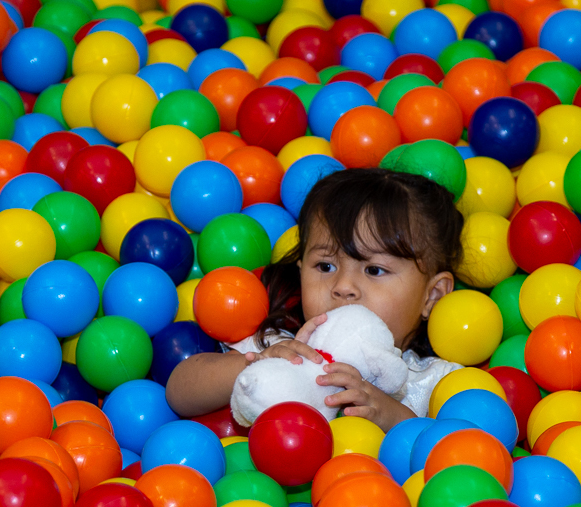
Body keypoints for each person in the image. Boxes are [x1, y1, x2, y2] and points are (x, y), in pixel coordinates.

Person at [166, 167, 465, 431]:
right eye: (326, 266)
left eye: (374, 270)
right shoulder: (285, 348)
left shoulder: (436, 382)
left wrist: (392, 417)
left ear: (432, 296)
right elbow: (178, 392)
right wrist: (249, 366)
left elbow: (458, 451)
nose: (343, 286)